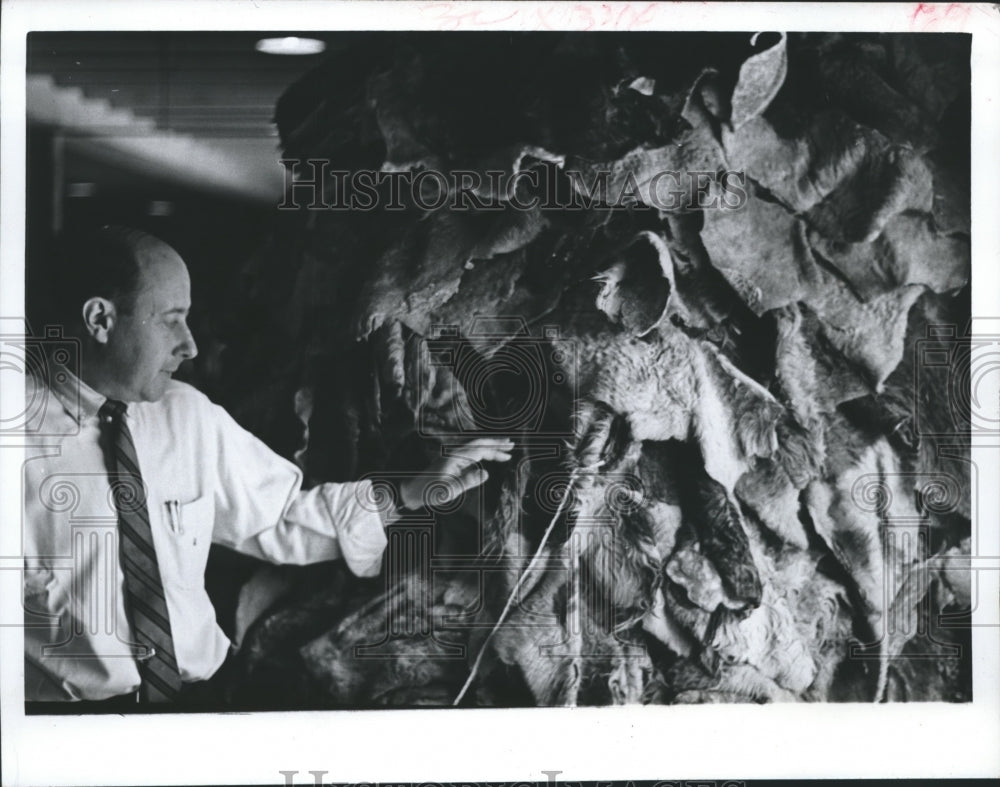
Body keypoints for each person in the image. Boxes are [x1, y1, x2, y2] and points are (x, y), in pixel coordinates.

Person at [22, 226, 512, 709]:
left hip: (194, 706)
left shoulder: (188, 416)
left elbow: (279, 516)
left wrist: (408, 494)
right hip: (63, 730)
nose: (190, 345)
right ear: (100, 319)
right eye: (172, 319)